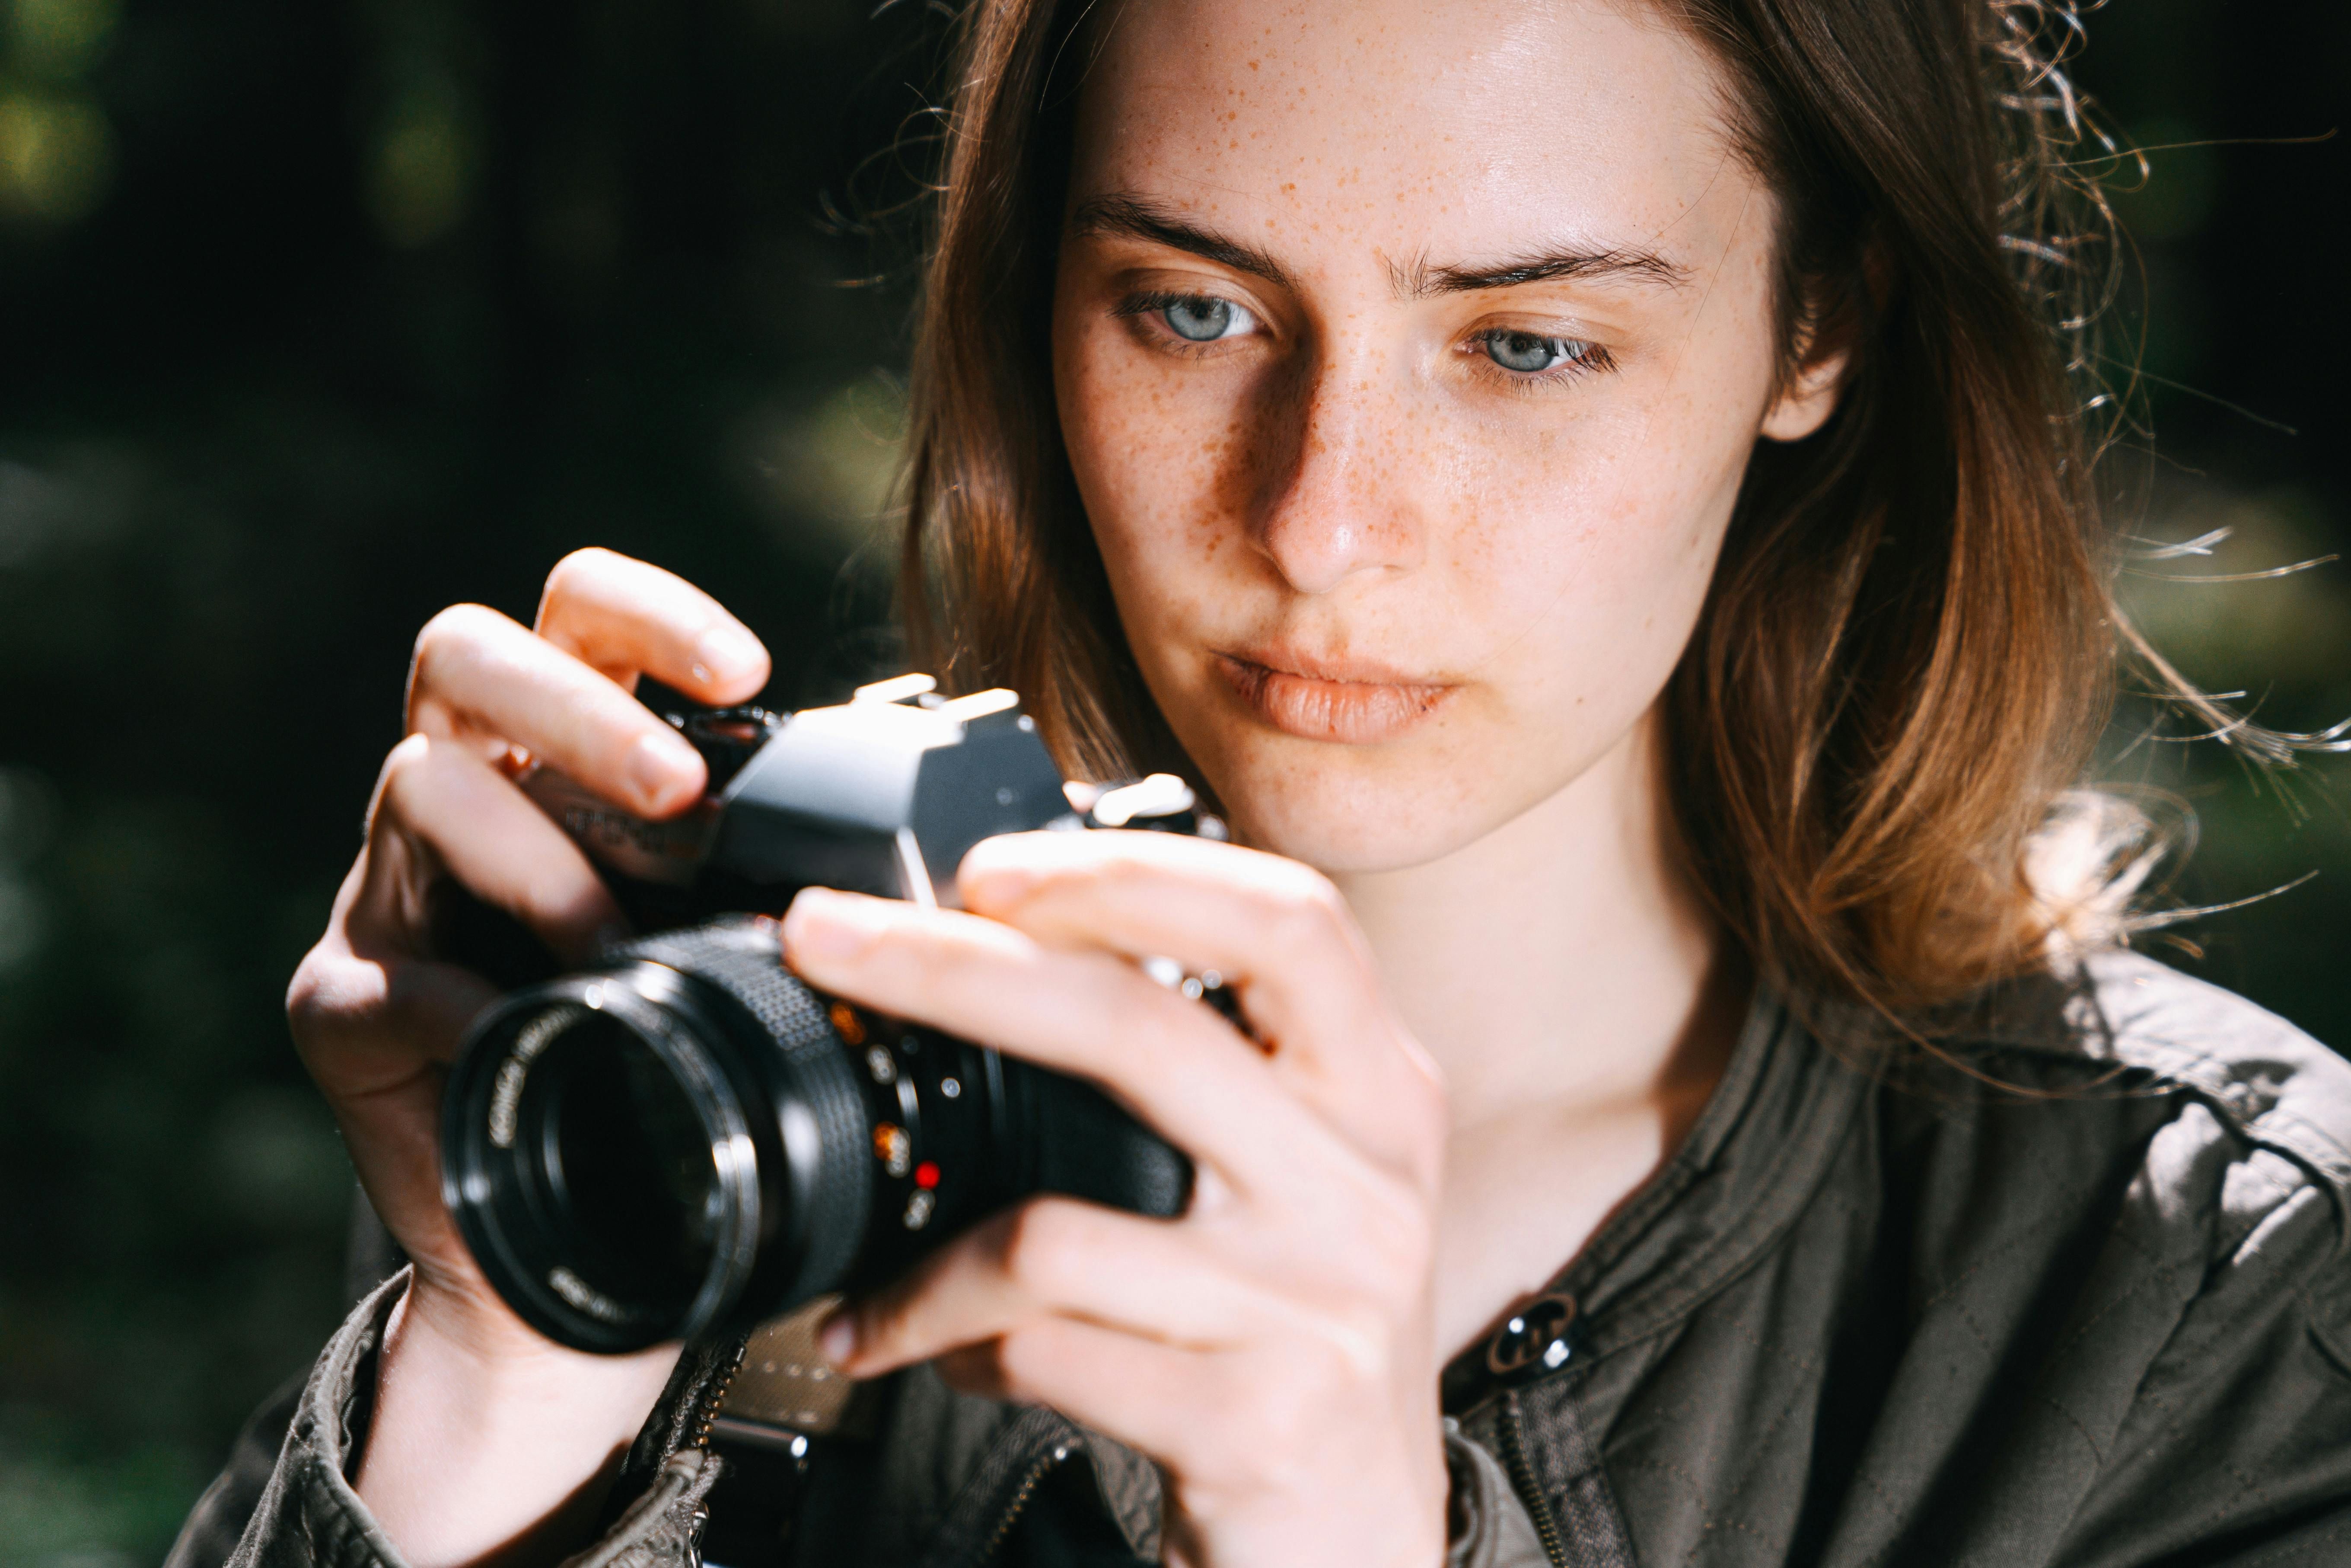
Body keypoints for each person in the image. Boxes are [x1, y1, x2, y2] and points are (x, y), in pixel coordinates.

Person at [171, 0, 2351, 1565]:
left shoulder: (2223, 1312)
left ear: (1819, 328)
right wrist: (503, 1392)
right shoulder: (730, 1109)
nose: (1318, 524)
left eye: (1523, 343)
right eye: (1193, 309)